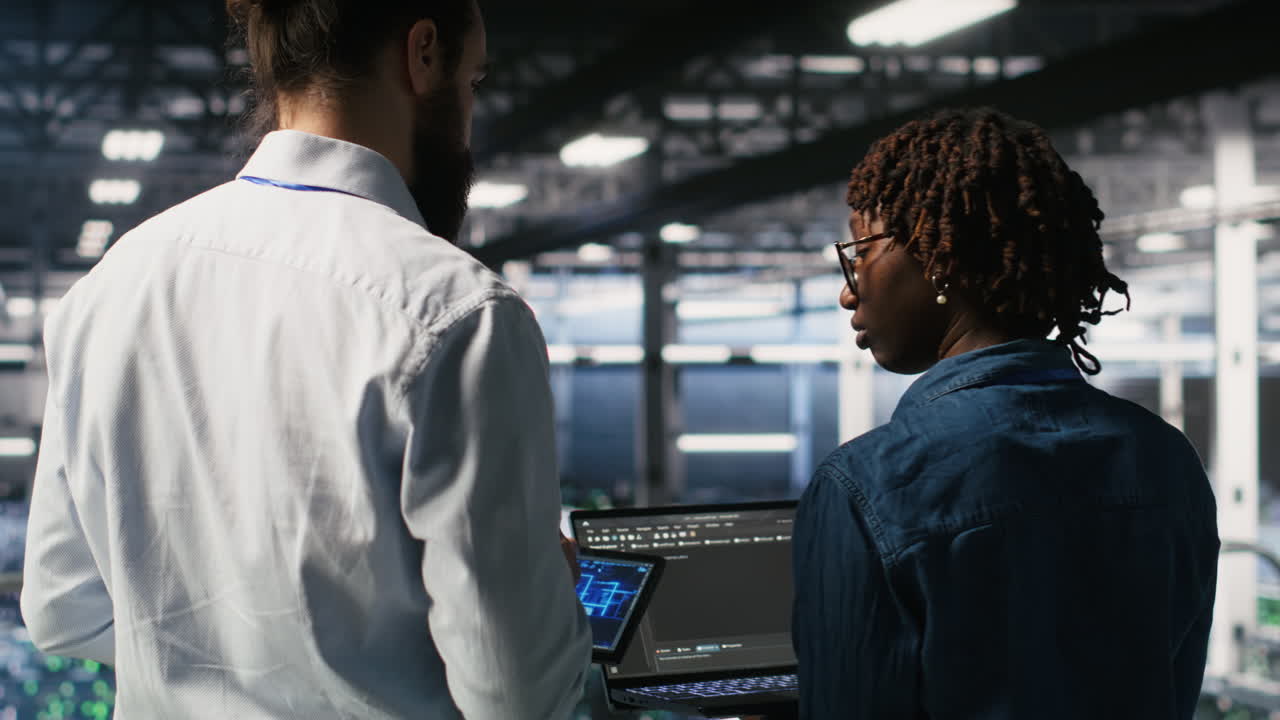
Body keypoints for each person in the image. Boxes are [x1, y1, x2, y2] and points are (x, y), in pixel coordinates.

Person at [20, 0, 591, 717]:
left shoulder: (108, 289)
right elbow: (515, 695)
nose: (470, 112)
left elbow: (63, 609)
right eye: (472, 81)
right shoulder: (458, 314)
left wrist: (220, 654)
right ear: (422, 54)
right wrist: (544, 601)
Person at [792, 107, 1218, 718]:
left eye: (860, 252)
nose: (847, 290)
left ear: (936, 258)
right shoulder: (1165, 458)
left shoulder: (867, 486)